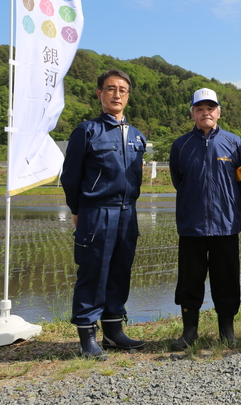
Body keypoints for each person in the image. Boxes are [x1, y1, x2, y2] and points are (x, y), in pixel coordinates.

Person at [61, 69, 147, 359]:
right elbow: (70, 177)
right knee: (93, 272)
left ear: (128, 96)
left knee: (121, 271)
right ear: (99, 93)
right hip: (96, 212)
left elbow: (137, 177)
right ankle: (87, 336)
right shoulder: (86, 131)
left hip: (127, 214)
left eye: (122, 90)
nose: (117, 94)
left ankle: (114, 331)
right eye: (110, 89)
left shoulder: (137, 137)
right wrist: (78, 209)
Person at [168, 88, 241, 350]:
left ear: (219, 112)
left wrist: (228, 206)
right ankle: (189, 332)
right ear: (192, 112)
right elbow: (178, 181)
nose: (206, 113)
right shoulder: (180, 145)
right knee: (189, 280)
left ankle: (227, 331)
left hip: (226, 226)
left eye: (210, 108)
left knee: (226, 279)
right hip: (191, 225)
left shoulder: (235, 143)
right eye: (200, 108)